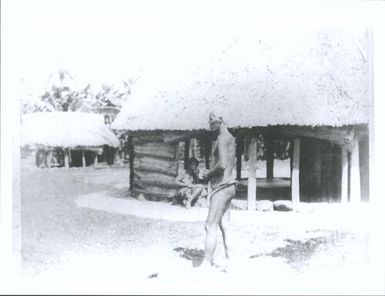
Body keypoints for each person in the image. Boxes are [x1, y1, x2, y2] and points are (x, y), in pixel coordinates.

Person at [200, 113, 237, 269]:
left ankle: (206, 263)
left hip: (221, 186)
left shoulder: (222, 138)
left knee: (210, 225)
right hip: (230, 185)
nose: (209, 123)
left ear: (220, 120)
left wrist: (207, 174)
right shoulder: (231, 137)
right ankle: (232, 261)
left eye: (211, 120)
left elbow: (222, 164)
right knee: (225, 225)